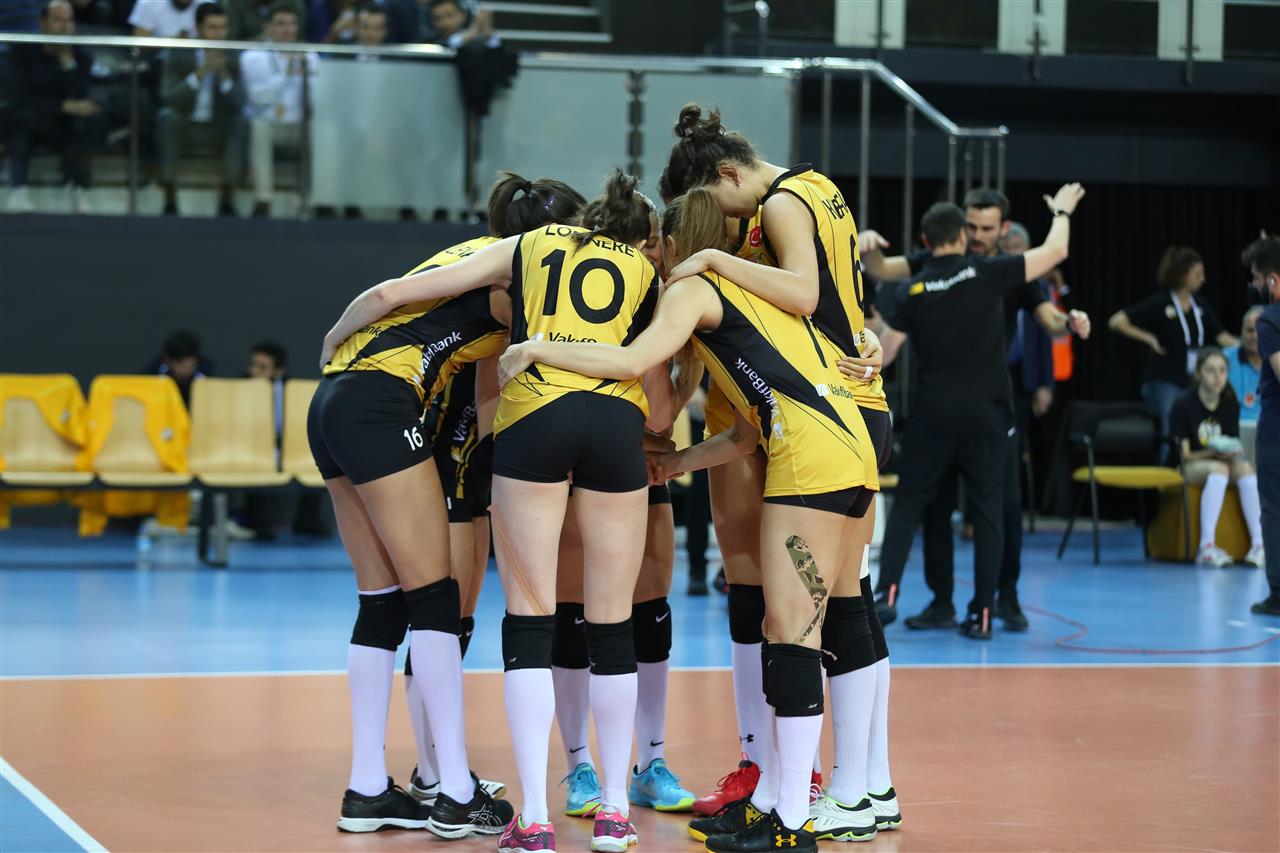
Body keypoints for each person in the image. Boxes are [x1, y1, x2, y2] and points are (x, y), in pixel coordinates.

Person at [499, 184, 881, 853]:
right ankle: (778, 798)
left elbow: (629, 363)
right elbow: (742, 435)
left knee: (792, 633)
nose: (648, 257)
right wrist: (678, 464)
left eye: (655, 246)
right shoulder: (754, 290)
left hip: (811, 460)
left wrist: (537, 350)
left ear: (672, 244)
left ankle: (791, 821)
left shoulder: (691, 291)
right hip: (851, 446)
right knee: (801, 621)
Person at [321, 170, 664, 853]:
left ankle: (510, 812)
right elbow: (647, 382)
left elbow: (391, 297)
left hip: (382, 405)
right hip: (599, 419)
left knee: (465, 611)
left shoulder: (506, 252)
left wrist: (330, 340)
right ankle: (598, 808)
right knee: (595, 622)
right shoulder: (635, 275)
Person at [657, 105, 892, 836]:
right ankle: (860, 783)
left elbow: (807, 295)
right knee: (839, 602)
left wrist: (712, 260)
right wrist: (869, 343)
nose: (719, 223)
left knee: (803, 609)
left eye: (714, 205)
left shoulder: (782, 202)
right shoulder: (819, 188)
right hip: (841, 397)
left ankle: (825, 789)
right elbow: (844, 307)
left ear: (729, 173)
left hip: (821, 409)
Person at [398, 174, 586, 813]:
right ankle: (433, 774)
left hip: (453, 459)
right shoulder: (508, 288)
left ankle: (436, 768)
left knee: (450, 620)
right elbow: (488, 395)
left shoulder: (492, 268)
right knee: (444, 620)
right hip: (451, 459)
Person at [860, 190, 1090, 633]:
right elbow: (1056, 250)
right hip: (986, 412)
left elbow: (884, 353)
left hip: (938, 412)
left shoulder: (915, 289)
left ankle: (888, 593)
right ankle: (979, 612)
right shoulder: (988, 272)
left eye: (988, 227)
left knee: (916, 503)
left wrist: (857, 343)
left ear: (927, 240)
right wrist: (1061, 212)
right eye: (973, 227)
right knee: (983, 511)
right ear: (963, 234)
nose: (980, 234)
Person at [548, 201, 698, 821]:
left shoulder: (654, 303)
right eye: (654, 241)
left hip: (634, 464)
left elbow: (659, 421)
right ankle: (579, 765)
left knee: (647, 604)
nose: (660, 252)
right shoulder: (621, 297)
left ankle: (648, 764)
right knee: (575, 611)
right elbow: (660, 413)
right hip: (580, 462)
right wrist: (683, 374)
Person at [1109, 245, 1239, 438]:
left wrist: (1250, 346)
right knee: (1170, 427)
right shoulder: (1161, 304)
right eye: (1197, 274)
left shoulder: (1200, 305)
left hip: (1193, 380)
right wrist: (1148, 338)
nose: (1203, 279)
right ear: (1183, 275)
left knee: (1196, 426)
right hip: (1165, 379)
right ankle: (1168, 457)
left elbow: (1221, 336)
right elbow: (1116, 321)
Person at [1169, 348, 1265, 568]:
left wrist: (1232, 452)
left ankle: (1259, 545)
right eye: (1210, 370)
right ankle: (1206, 546)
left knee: (1246, 469)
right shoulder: (1183, 404)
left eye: (1222, 370)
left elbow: (1231, 442)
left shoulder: (1230, 403)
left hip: (1219, 462)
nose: (1218, 377)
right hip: (1186, 465)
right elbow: (1184, 455)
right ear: (1198, 374)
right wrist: (1214, 454)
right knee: (1218, 469)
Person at [6, 0, 103, 215]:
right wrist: (62, 105)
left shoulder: (80, 55)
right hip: (32, 117)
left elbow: (82, 96)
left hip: (62, 123)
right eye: (58, 20)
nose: (64, 27)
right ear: (43, 23)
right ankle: (18, 190)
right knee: (21, 120)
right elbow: (19, 97)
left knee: (81, 125)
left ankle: (80, 190)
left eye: (69, 21)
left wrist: (68, 64)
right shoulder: (22, 50)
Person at [156, 2, 245, 218]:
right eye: (212, 27)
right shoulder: (179, 53)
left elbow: (239, 103)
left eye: (223, 28)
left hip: (217, 127)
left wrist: (223, 75)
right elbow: (169, 97)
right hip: (184, 123)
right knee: (167, 117)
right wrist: (200, 73)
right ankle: (170, 199)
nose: (219, 34)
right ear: (198, 29)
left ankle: (227, 199)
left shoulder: (233, 57)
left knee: (240, 122)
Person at [239, 2, 317, 217]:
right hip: (269, 124)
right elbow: (258, 99)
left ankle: (312, 200)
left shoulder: (310, 57)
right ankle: (263, 200)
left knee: (320, 130)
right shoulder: (253, 57)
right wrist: (286, 74)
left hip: (298, 126)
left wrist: (305, 77)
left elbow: (318, 99)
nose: (287, 29)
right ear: (268, 27)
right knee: (259, 127)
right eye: (281, 24)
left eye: (292, 24)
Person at [1242, 236, 1280, 616]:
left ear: (1272, 280)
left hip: (1276, 432)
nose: (1253, 284)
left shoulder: (1269, 318)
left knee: (1274, 510)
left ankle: (1279, 593)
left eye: (1256, 277)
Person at [1225, 306, 1265, 423]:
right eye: (1250, 330)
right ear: (1241, 331)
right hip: (1232, 427)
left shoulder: (1276, 361)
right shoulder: (1224, 359)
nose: (1255, 336)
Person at [225, 0, 306, 39]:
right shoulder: (236, 4)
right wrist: (262, 39)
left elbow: (300, 37)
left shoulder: (293, 3)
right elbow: (233, 42)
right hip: (248, 52)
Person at [129, 0, 206, 37]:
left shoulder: (206, 4)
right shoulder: (148, 3)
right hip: (156, 59)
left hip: (201, 59)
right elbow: (140, 44)